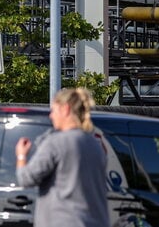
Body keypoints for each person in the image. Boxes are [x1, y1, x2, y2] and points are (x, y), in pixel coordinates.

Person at [15, 87, 110, 227]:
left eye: (53, 110)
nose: (51, 116)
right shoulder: (95, 144)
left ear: (65, 109)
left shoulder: (56, 142)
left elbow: (26, 178)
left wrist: (21, 155)